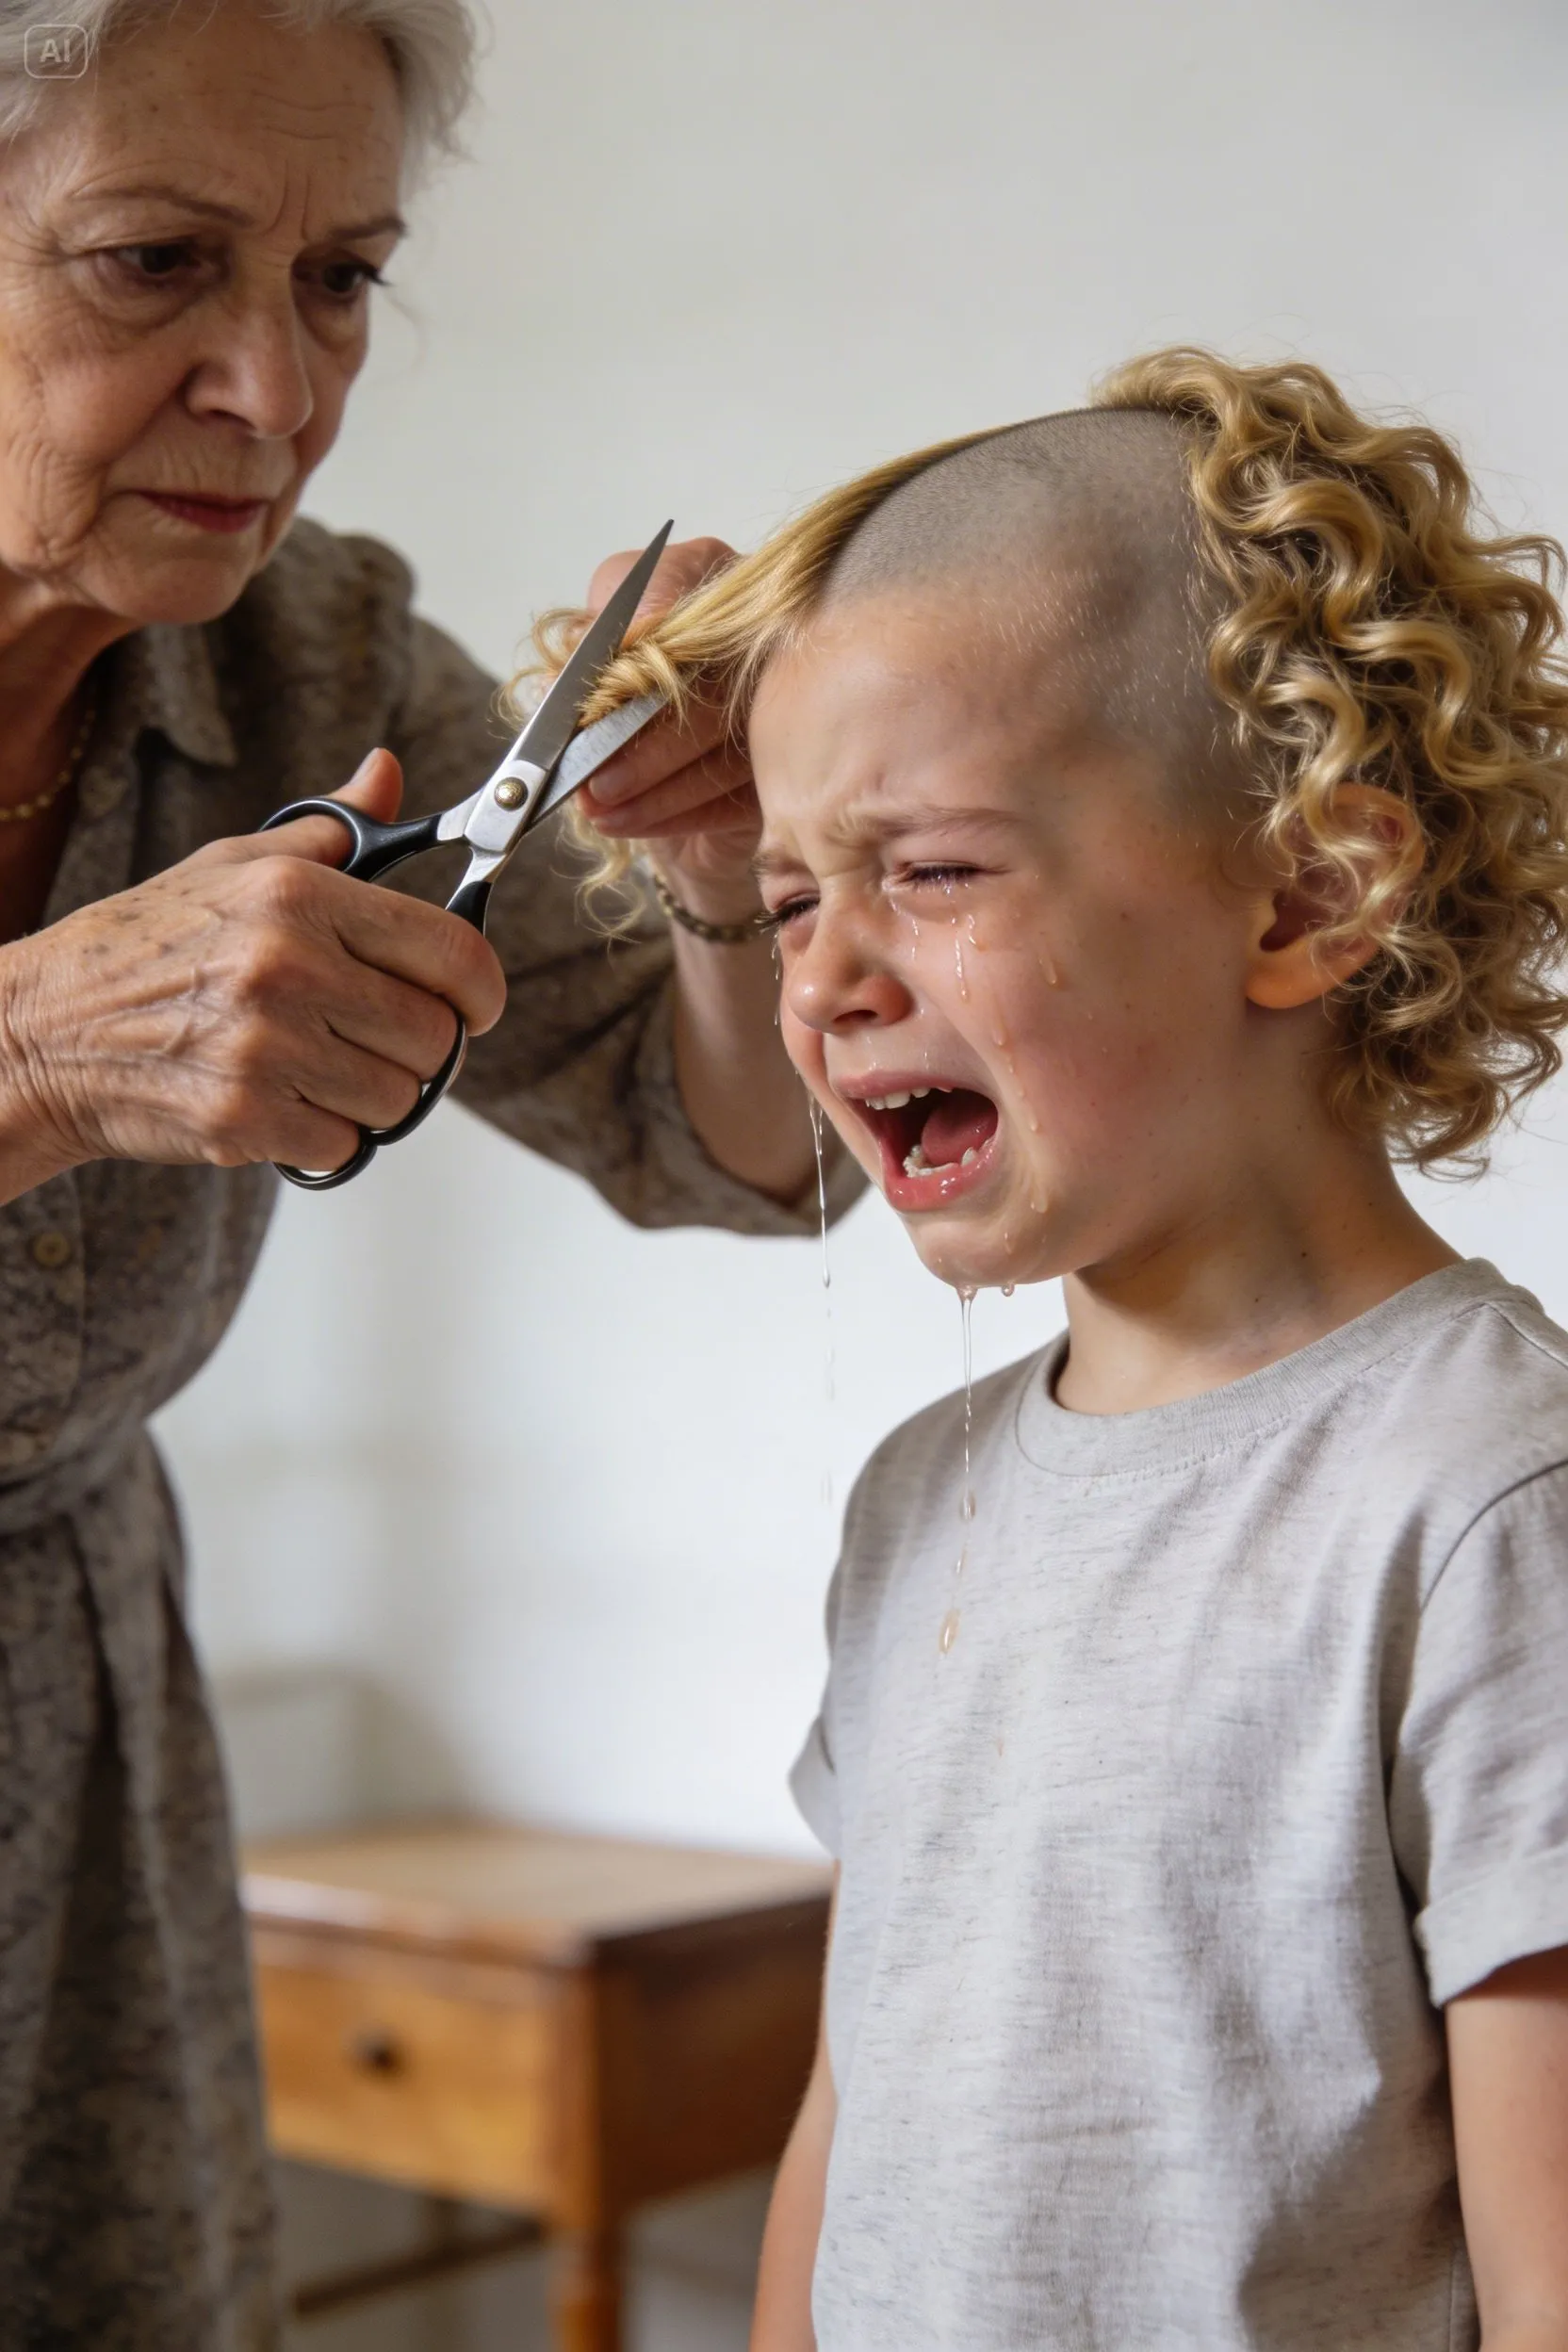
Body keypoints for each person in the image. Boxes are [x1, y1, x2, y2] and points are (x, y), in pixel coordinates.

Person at [0, 1, 858, 2342]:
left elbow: (731, 1148)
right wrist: (36, 1051)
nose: (278, 393)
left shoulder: (321, 663)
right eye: (156, 262)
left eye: (343, 278)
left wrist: (721, 873)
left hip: (68, 1789)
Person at [573, 351, 1568, 2350]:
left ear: (1307, 890)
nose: (830, 978)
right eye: (786, 899)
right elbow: (851, 2116)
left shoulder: (1484, 1506)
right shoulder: (917, 1502)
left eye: (929, 872)